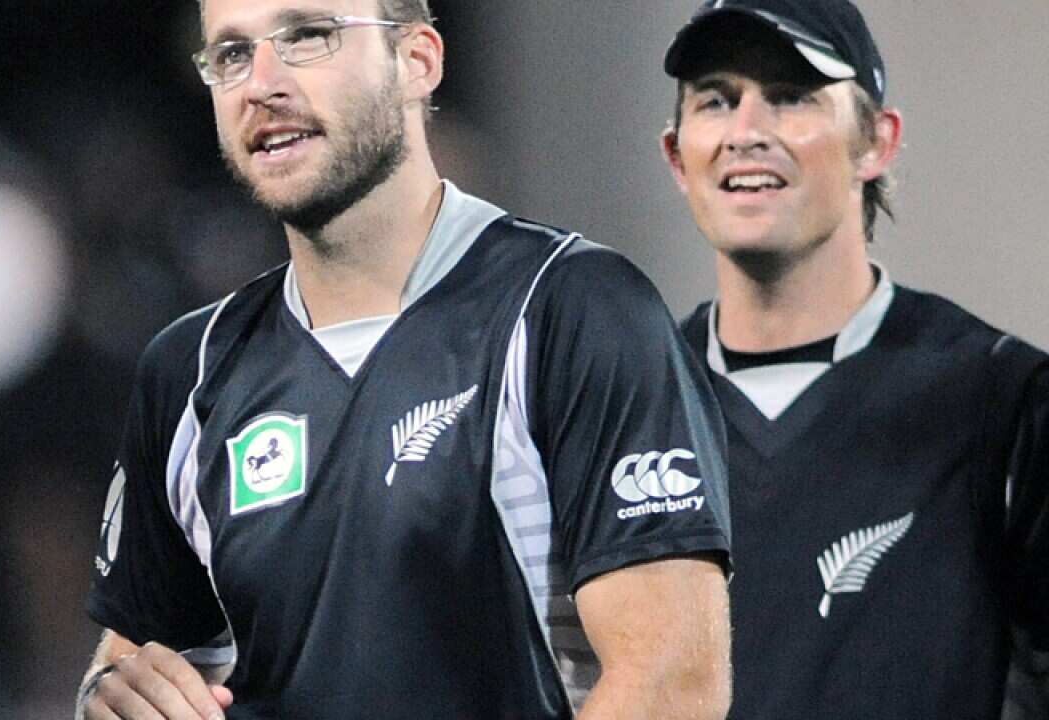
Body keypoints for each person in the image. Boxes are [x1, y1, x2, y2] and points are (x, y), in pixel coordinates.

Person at [76, 1, 734, 718]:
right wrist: (107, 695)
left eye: (307, 36)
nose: (260, 83)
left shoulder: (570, 310)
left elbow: (672, 687)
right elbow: (128, 664)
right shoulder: (188, 370)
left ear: (417, 61)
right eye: (232, 54)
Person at [658, 1, 1049, 718]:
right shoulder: (627, 407)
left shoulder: (1001, 396)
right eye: (716, 100)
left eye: (790, 97)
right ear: (677, 155)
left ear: (877, 142)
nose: (746, 132)